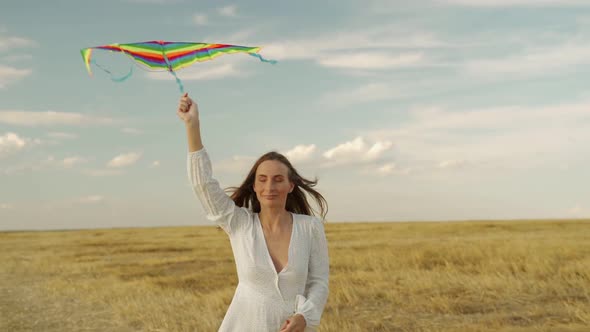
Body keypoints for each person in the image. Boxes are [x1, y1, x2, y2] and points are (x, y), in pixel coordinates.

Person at [177, 93, 330, 332]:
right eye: (263, 180)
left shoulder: (310, 227)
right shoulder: (239, 223)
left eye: (278, 180)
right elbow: (203, 185)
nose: (270, 187)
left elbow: (319, 283)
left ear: (290, 186)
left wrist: (305, 317)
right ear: (255, 186)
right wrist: (192, 125)